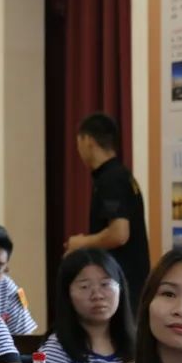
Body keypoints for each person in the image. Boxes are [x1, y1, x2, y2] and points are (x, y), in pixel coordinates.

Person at [67, 112, 150, 311]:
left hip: (122, 283)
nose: (78, 149)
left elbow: (119, 234)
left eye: (78, 142)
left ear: (88, 141)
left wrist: (80, 243)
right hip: (128, 281)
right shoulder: (119, 174)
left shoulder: (111, 179)